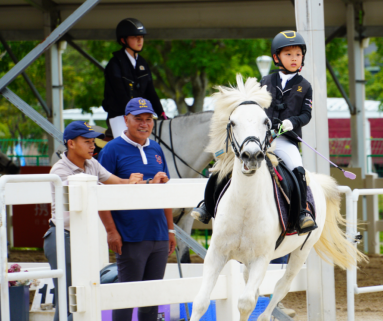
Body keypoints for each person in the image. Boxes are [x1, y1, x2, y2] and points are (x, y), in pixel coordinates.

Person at [192, 30, 316, 234]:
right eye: (288, 54)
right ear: (277, 57)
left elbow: (306, 115)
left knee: (297, 169)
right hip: (260, 138)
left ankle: (301, 213)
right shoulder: (266, 81)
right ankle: (207, 205)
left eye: (298, 54)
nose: (294, 58)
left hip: (285, 140)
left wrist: (291, 123)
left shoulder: (305, 86)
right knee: (224, 163)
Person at [43, 121, 144, 321]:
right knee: (70, 299)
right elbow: (89, 195)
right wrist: (122, 184)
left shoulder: (91, 164)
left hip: (77, 237)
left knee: (78, 298)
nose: (93, 146)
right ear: (71, 143)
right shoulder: (60, 170)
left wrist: (133, 181)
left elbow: (116, 181)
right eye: (87, 141)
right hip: (62, 237)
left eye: (93, 141)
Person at [97, 97, 175, 321]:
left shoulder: (156, 148)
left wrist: (170, 231)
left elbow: (165, 192)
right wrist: (111, 231)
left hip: (158, 235)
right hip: (130, 236)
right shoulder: (111, 150)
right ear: (126, 120)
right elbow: (100, 193)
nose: (144, 124)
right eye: (138, 119)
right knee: (126, 299)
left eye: (148, 119)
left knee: (150, 301)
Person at [102, 18, 167, 138]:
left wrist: (161, 112)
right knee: (126, 146)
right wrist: (136, 114)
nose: (139, 40)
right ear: (123, 40)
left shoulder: (143, 63)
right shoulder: (114, 64)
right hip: (120, 116)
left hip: (141, 115)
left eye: (141, 37)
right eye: (134, 37)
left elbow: (151, 91)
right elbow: (120, 94)